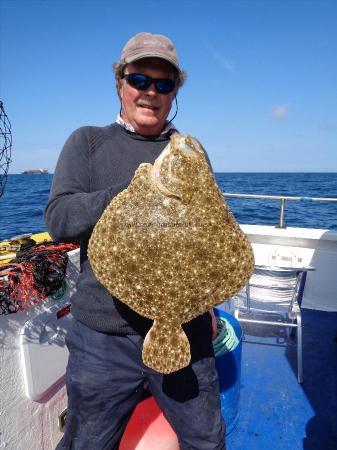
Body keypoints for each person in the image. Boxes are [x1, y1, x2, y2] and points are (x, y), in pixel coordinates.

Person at [45, 32, 226, 450]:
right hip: (103, 339)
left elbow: (211, 238)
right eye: (139, 79)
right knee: (89, 442)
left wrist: (210, 302)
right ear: (120, 83)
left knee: (206, 440)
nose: (150, 92)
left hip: (186, 332)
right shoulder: (87, 142)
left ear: (175, 91)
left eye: (164, 84)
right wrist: (128, 194)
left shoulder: (190, 153)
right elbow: (59, 219)